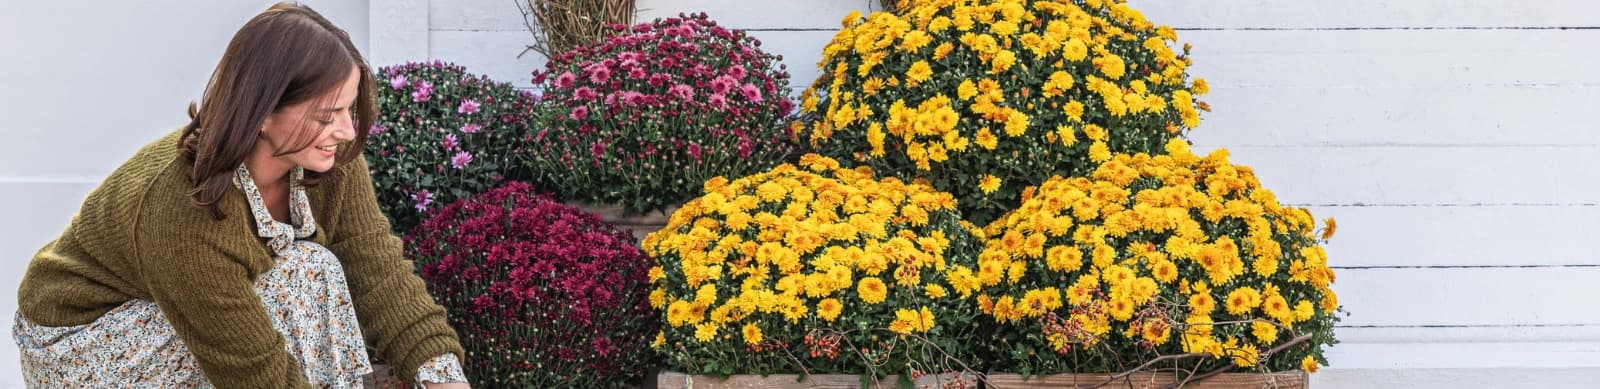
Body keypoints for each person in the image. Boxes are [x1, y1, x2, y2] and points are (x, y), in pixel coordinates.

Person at [13, 3, 471, 388]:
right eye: (328, 114)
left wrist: (443, 377)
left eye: (350, 109)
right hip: (84, 344)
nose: (348, 130)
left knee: (312, 271)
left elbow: (378, 270)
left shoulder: (328, 164)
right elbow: (253, 370)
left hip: (176, 313)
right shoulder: (183, 206)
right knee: (304, 277)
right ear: (262, 110)